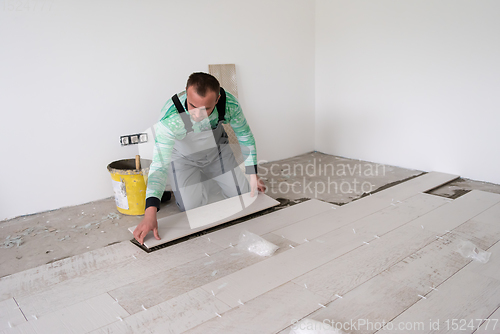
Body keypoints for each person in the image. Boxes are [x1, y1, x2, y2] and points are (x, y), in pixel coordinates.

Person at [133, 72, 266, 244]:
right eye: (192, 106)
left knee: (243, 196)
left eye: (206, 109)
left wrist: (252, 174)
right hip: (183, 158)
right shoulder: (170, 117)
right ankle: (199, 182)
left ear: (217, 100)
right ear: (186, 93)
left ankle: (211, 179)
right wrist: (149, 213)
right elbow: (159, 165)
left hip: (217, 152)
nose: (197, 115)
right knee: (192, 210)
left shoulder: (229, 104)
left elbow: (245, 136)